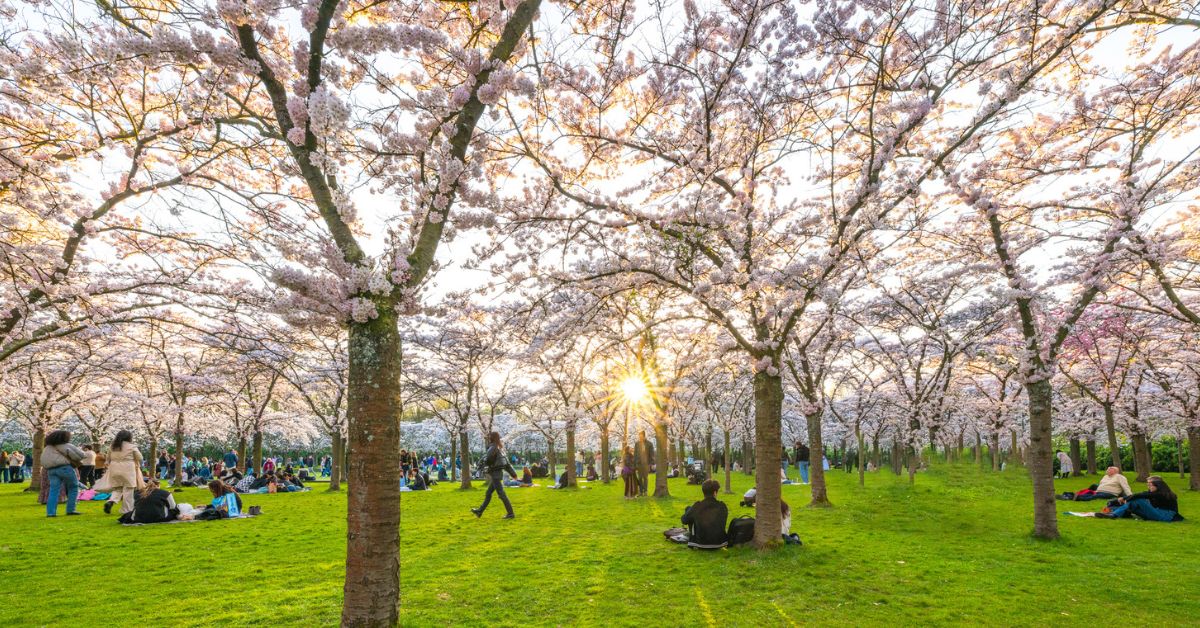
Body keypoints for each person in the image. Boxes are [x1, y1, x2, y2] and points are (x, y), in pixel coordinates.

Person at [471, 431, 519, 519]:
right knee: (488, 493)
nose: (488, 438)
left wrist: (482, 466)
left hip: (495, 474)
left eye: (489, 436)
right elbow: (507, 464)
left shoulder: (493, 447)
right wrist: (514, 474)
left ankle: (511, 514)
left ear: (492, 438)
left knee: (502, 495)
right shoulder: (499, 448)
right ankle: (480, 511)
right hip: (497, 474)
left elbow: (487, 459)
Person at [1095, 476, 1183, 521]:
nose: (1148, 487)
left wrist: (1120, 499)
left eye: (1150, 485)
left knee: (1138, 500)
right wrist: (1118, 500)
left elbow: (1140, 495)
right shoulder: (1153, 493)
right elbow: (1142, 494)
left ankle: (1113, 515)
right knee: (1133, 504)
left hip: (1165, 516)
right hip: (1157, 514)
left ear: (1158, 485)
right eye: (1148, 485)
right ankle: (1112, 512)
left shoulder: (1162, 494)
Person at [41, 430, 85, 517]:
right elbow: (80, 455)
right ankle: (71, 509)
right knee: (73, 487)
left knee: (54, 490)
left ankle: (51, 513)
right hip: (65, 468)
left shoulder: (47, 448)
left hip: (51, 470)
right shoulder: (66, 446)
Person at [104, 430, 145, 515]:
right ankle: (126, 509)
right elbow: (140, 457)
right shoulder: (131, 446)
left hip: (114, 468)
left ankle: (111, 501)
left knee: (117, 488)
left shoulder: (113, 446)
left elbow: (108, 457)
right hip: (128, 469)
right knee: (128, 489)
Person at [681, 479, 728, 549]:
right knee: (690, 510)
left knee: (689, 510)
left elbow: (684, 520)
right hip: (720, 542)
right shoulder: (722, 506)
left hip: (700, 543)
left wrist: (688, 510)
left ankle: (693, 535)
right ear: (715, 492)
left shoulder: (697, 506)